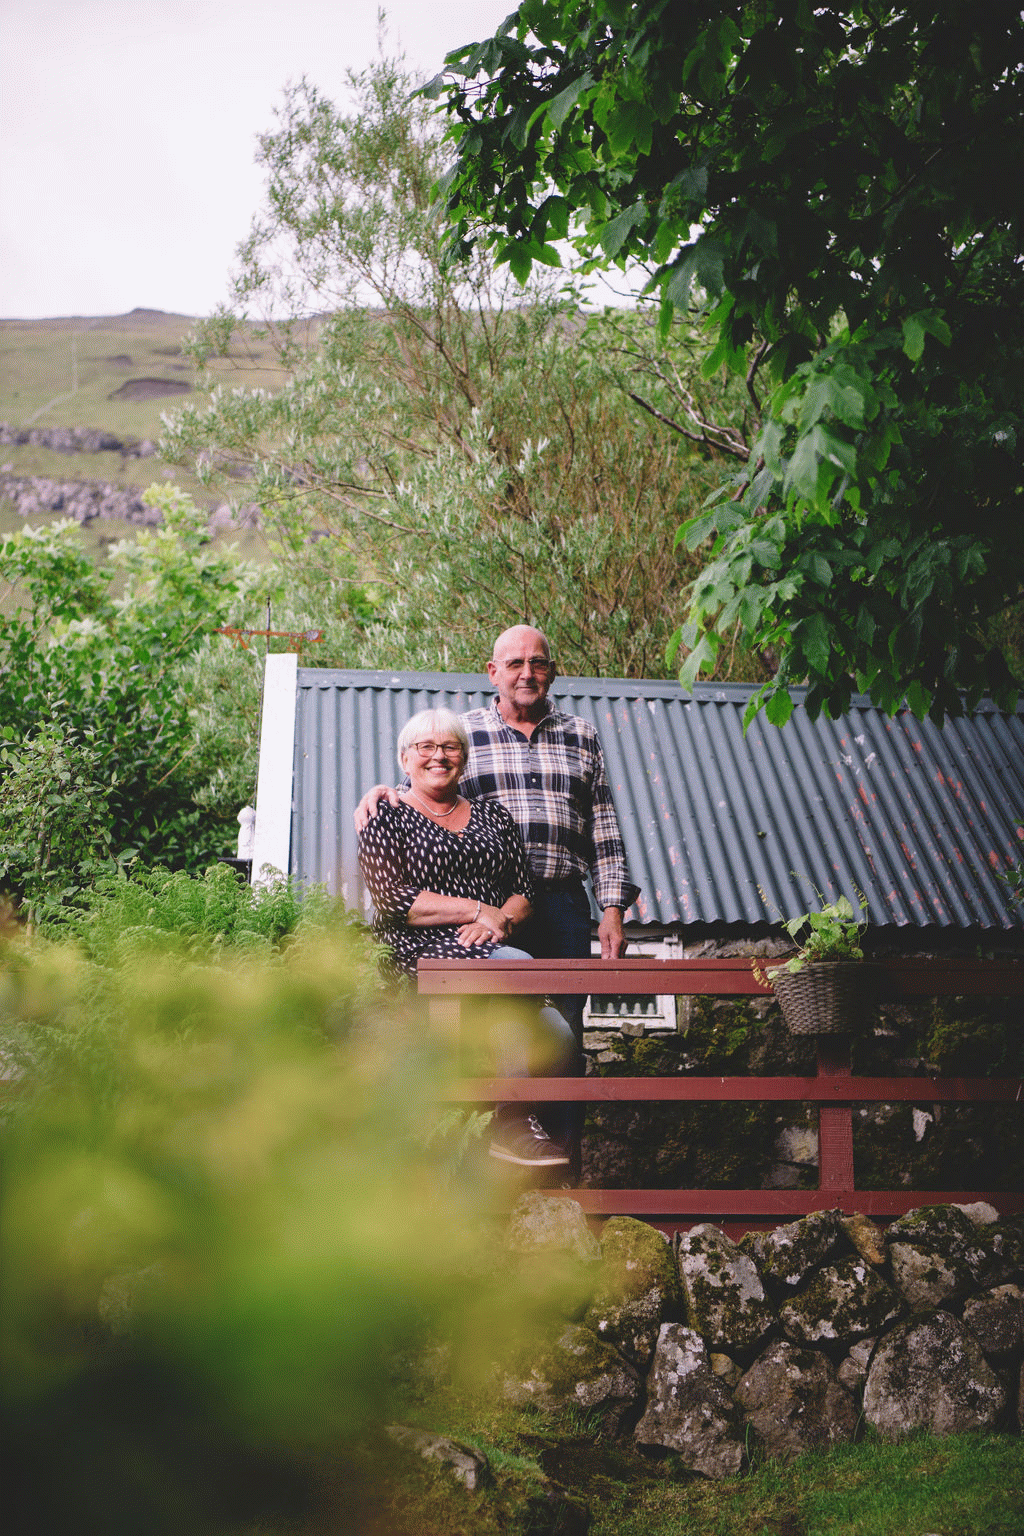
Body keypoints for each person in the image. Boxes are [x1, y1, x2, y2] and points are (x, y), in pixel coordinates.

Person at [355, 626, 640, 1166]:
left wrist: (611, 910)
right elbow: (431, 779)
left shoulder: (582, 735)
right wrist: (382, 792)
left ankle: (559, 1168)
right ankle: (495, 1150)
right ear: (493, 673)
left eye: (537, 663)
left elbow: (604, 828)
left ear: (552, 671)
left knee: (564, 1036)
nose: (526, 673)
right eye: (514, 664)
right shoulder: (468, 733)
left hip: (556, 903)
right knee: (493, 1020)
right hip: (484, 912)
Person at [356, 705, 578, 1170]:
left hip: (493, 948)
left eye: (449, 746)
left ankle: (528, 1143)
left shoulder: (495, 818)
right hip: (418, 952)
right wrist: (479, 909)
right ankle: (511, 1124)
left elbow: (524, 893)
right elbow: (396, 901)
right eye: (425, 747)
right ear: (404, 759)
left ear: (464, 756)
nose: (438, 755)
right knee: (517, 968)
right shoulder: (385, 815)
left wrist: (498, 921)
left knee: (557, 1032)